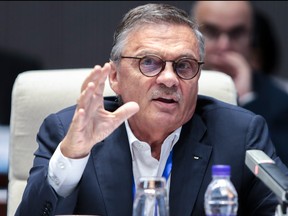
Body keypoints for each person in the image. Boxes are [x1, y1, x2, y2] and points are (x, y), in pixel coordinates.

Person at [16, 3, 288, 216]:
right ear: (115, 78)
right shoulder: (68, 132)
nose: (169, 79)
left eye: (183, 65)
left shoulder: (238, 135)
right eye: (149, 62)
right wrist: (73, 156)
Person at [191, 1, 288, 166]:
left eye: (236, 33)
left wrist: (247, 100)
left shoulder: (278, 101)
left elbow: (278, 175)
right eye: (212, 32)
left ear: (252, 38)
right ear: (192, 33)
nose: (224, 45)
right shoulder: (171, 84)